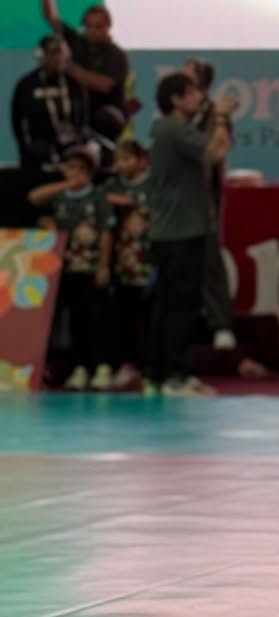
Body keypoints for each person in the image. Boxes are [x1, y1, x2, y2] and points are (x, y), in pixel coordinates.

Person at [148, 71, 236, 397]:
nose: (201, 98)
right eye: (193, 93)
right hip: (184, 231)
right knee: (182, 306)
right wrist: (223, 117)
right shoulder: (175, 130)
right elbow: (215, 153)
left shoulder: (165, 129)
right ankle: (178, 376)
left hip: (167, 231)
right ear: (176, 100)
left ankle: (156, 374)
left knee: (165, 305)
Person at [28, 144, 115, 390]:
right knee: (76, 319)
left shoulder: (97, 196)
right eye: (70, 168)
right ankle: (80, 366)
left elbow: (106, 232)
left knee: (97, 317)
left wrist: (103, 266)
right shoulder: (61, 196)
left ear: (90, 173)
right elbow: (34, 197)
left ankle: (102, 366)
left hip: (91, 266)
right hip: (68, 270)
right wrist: (65, 185)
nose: (75, 174)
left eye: (80, 170)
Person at [184, 59, 237, 352]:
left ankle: (222, 324)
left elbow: (218, 147)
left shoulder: (215, 114)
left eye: (187, 77)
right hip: (177, 194)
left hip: (204, 195)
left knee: (209, 258)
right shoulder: (176, 114)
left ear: (200, 84)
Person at [40, 0, 131, 141]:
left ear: (108, 27)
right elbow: (51, 17)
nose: (93, 31)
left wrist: (68, 66)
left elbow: (103, 85)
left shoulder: (117, 55)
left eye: (98, 27)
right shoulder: (77, 42)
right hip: (78, 119)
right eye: (89, 26)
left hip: (106, 123)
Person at [104, 137, 153, 391]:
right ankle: (126, 366)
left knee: (151, 316)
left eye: (127, 159)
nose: (121, 165)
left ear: (142, 161)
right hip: (122, 265)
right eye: (117, 160)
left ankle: (152, 368)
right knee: (124, 316)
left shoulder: (155, 185)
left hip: (150, 263)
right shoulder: (112, 187)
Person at [10, 35, 90, 171]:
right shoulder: (26, 85)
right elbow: (16, 120)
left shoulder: (75, 84)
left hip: (70, 151)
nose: (58, 58)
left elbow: (83, 119)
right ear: (40, 56)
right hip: (37, 153)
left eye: (61, 53)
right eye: (52, 53)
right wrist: (27, 147)